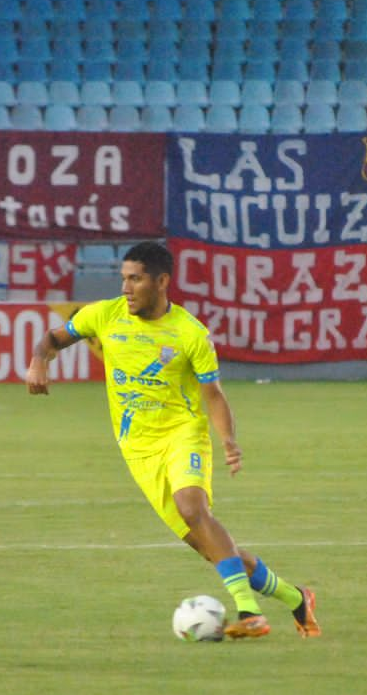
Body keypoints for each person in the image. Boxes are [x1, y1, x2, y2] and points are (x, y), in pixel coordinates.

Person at [25, 241, 320, 640]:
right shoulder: (103, 315)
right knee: (210, 547)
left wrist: (228, 440)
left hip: (183, 433)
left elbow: (213, 393)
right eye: (124, 278)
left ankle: (249, 612)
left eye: (136, 279)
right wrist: (39, 362)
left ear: (162, 281)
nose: (126, 288)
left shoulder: (189, 333)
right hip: (138, 449)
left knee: (192, 507)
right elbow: (53, 339)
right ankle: (297, 598)